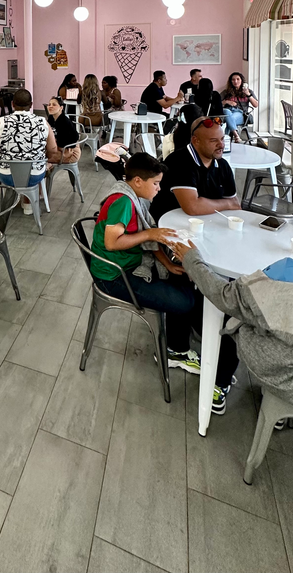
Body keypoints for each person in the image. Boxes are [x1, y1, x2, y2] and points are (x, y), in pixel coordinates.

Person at [169, 204, 293, 425]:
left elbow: (226, 297)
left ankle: (224, 383)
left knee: (237, 318)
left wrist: (192, 259)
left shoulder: (291, 275)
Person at [90, 152, 238, 413]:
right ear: (137, 181)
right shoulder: (123, 202)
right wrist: (152, 234)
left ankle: (181, 345)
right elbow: (113, 243)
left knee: (182, 280)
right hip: (114, 276)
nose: (159, 188)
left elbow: (147, 238)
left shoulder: (134, 198)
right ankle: (178, 349)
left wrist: (167, 263)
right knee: (186, 300)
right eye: (156, 183)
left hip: (129, 264)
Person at [150, 115, 241, 221]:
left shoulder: (223, 165)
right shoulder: (179, 161)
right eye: (213, 141)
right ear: (195, 141)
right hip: (170, 224)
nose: (221, 145)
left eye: (222, 139)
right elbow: (193, 207)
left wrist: (225, 204)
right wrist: (228, 204)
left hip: (207, 222)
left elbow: (235, 204)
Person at [0, 88, 58, 213]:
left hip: (7, 176)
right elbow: (53, 149)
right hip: (35, 175)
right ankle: (28, 204)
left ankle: (7, 202)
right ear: (31, 105)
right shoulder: (42, 122)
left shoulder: (2, 122)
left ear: (12, 104)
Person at [221, 71, 258, 142]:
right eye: (233, 80)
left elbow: (256, 105)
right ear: (231, 81)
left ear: (242, 81)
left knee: (230, 118)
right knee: (226, 111)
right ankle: (236, 136)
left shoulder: (249, 91)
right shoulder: (226, 92)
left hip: (240, 113)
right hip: (228, 111)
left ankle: (227, 138)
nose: (235, 81)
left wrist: (248, 94)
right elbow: (217, 102)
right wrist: (227, 101)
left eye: (238, 79)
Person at [45, 96, 80, 170]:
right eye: (49, 104)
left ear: (61, 108)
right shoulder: (51, 118)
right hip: (60, 148)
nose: (50, 106)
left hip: (70, 152)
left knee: (41, 158)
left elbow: (62, 144)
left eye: (54, 105)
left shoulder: (64, 122)